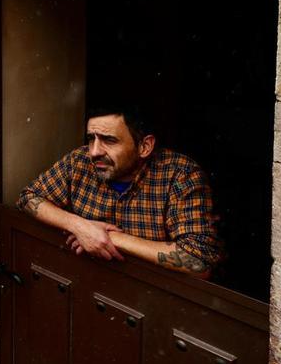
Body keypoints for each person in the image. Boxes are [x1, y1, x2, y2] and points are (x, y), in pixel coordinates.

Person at [17, 106, 222, 277]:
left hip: (150, 296)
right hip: (86, 281)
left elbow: (200, 260)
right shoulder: (79, 161)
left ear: (145, 146)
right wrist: (80, 226)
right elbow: (28, 198)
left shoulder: (180, 175)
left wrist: (109, 238)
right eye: (91, 138)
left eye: (109, 140)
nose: (94, 151)